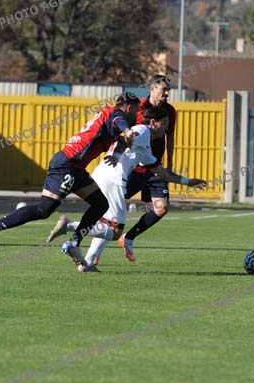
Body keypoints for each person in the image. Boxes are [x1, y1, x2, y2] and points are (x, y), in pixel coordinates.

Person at [0, 94, 141, 267]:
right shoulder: (117, 115)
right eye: (136, 110)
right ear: (129, 108)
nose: (136, 115)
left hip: (77, 168)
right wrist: (127, 131)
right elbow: (118, 122)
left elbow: (115, 138)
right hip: (67, 165)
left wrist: (119, 147)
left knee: (100, 204)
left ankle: (74, 243)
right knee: (43, 210)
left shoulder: (108, 116)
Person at [47, 105, 206, 270]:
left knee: (109, 225)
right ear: (153, 122)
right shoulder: (143, 130)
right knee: (116, 231)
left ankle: (87, 262)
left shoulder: (145, 147)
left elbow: (161, 172)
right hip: (113, 180)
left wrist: (188, 182)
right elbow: (124, 139)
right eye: (164, 123)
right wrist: (116, 156)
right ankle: (69, 226)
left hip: (104, 176)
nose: (166, 128)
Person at [119, 74, 178, 261]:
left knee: (161, 208)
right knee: (112, 205)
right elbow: (124, 131)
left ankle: (128, 238)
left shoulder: (170, 111)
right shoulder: (139, 107)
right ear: (152, 89)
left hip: (154, 167)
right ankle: (87, 242)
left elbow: (170, 137)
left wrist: (169, 163)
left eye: (168, 90)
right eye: (164, 90)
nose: (167, 93)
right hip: (134, 167)